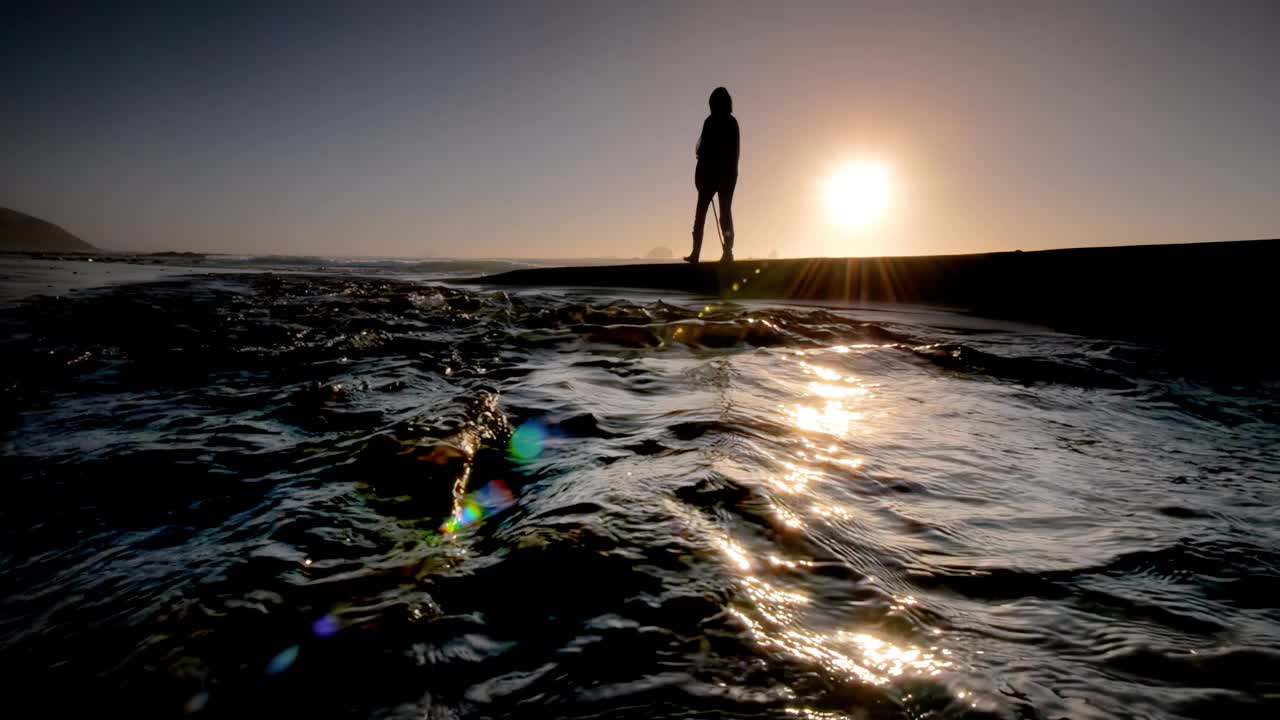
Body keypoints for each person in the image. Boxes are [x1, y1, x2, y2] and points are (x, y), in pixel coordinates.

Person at [685, 86, 739, 264]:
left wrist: (723, 175)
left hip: (725, 177)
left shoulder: (731, 123)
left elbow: (732, 154)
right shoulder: (710, 122)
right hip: (709, 177)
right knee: (701, 215)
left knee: (723, 214)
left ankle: (727, 252)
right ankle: (696, 253)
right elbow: (702, 151)